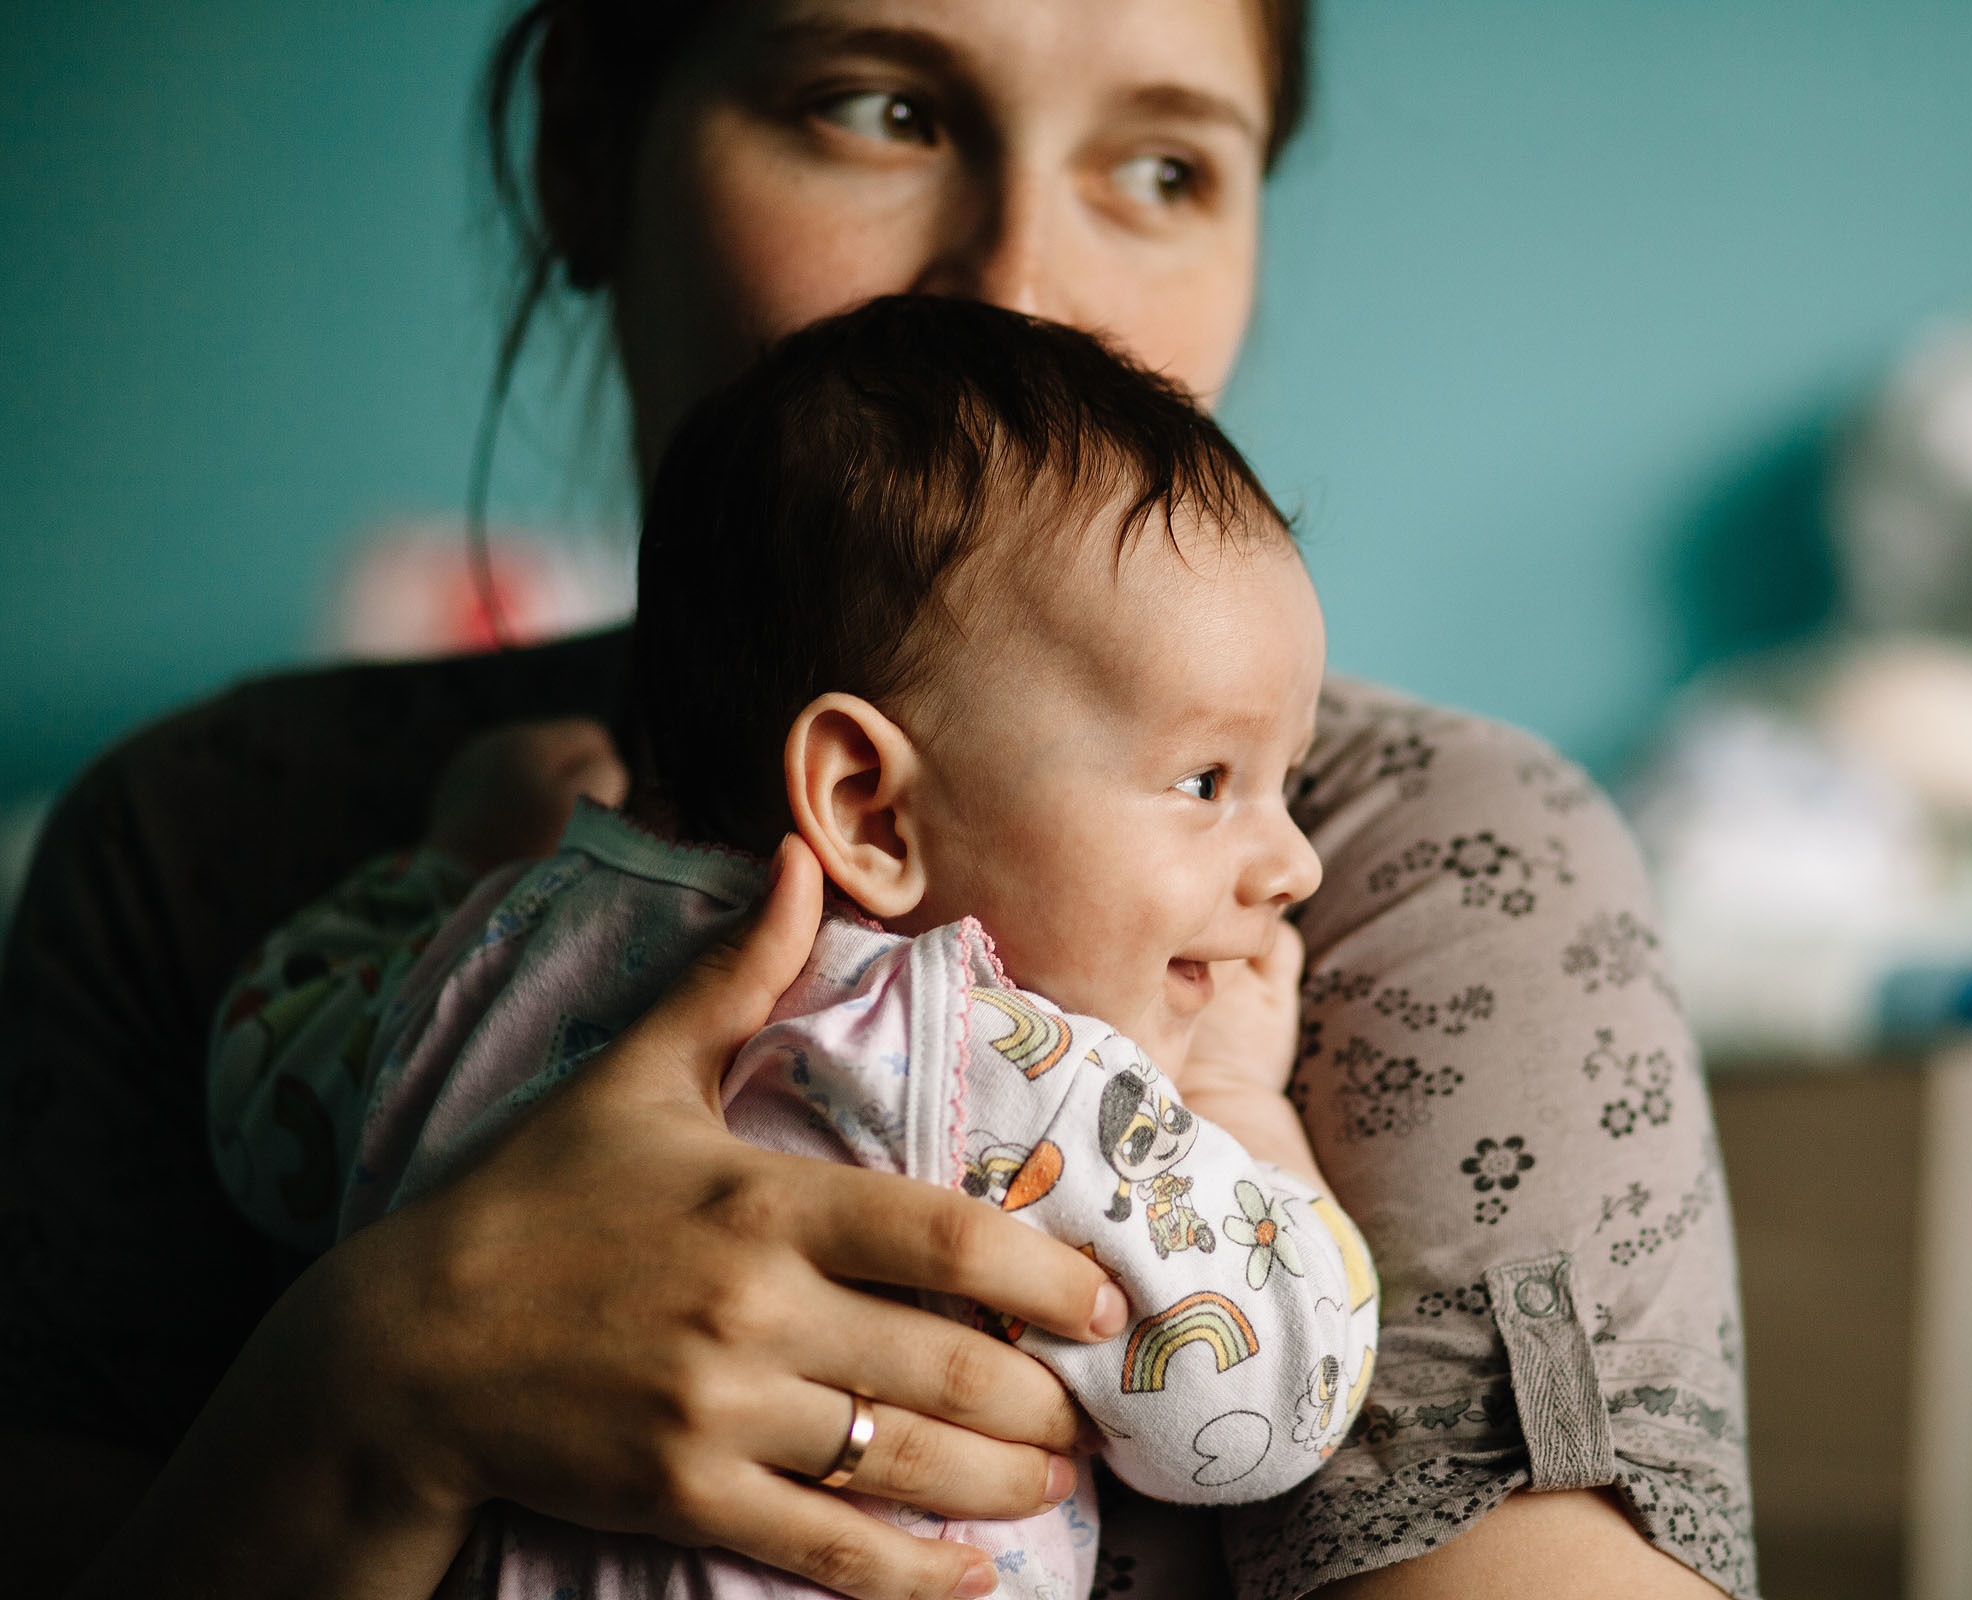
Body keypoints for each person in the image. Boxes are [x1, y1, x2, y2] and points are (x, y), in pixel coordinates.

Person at [0, 3, 1755, 1597]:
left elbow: (291, 1085)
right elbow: (1262, 1379)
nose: (1020, 288)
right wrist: (371, 1391)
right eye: (878, 109)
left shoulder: (1430, 864)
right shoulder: (194, 837)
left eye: (1162, 166)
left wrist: (452, 891)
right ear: (587, 160)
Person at [206, 297, 1381, 1599]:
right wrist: (1236, 1101)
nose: (1295, 863)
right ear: (871, 808)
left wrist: (440, 868)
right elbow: (1269, 1401)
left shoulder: (500, 939)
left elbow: (265, 1112)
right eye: (1208, 780)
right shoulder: (994, 1062)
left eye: (1287, 781)